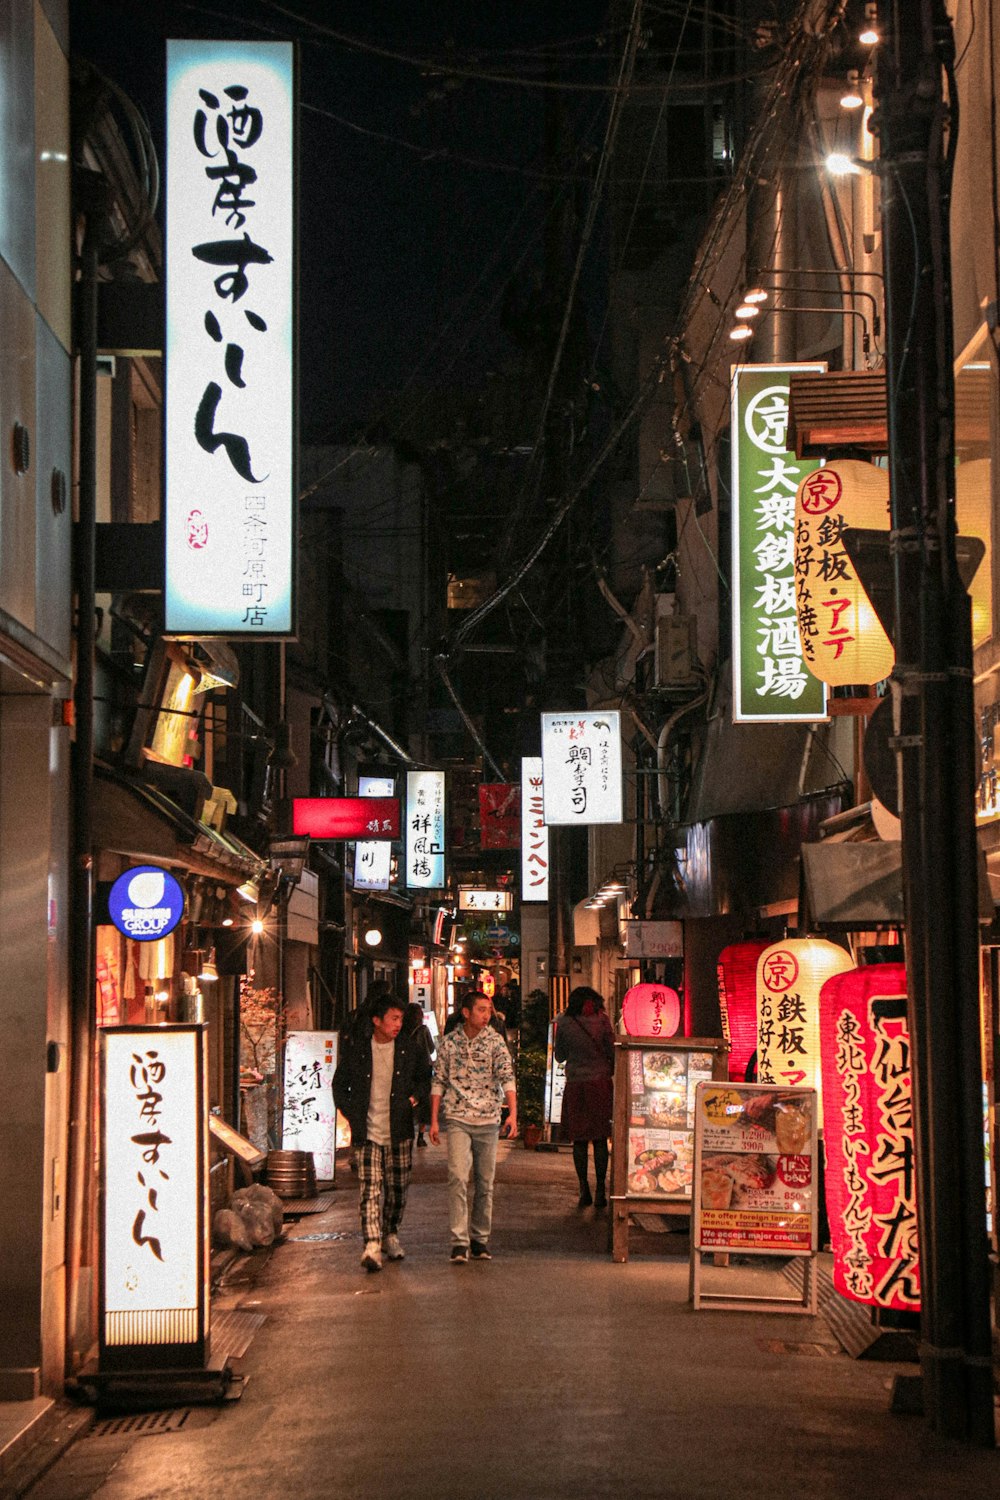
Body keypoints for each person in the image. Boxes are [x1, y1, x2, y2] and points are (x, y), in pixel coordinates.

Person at [332, 990, 431, 1272]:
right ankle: (372, 1245)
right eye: (394, 1018)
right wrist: (351, 1113)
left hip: (399, 1129)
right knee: (370, 1189)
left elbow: (425, 1079)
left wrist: (413, 1100)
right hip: (367, 1131)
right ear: (377, 1020)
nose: (399, 1024)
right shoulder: (359, 1050)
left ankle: (390, 1234)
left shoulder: (409, 1049)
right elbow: (340, 1085)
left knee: (397, 1190)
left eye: (400, 1019)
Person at [429, 990, 517, 1262]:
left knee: (484, 1181)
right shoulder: (449, 1043)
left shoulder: (495, 1042)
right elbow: (439, 1080)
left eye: (488, 1010)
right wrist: (433, 1119)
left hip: (489, 1118)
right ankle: (459, 1241)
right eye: (481, 1010)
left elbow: (507, 1076)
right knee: (457, 1176)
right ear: (466, 1013)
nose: (486, 1015)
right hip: (457, 1117)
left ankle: (480, 1238)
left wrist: (513, 1113)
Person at [554, 985, 614, 1210]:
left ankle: (583, 1189)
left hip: (576, 1085)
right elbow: (611, 1050)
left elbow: (559, 1056)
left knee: (579, 1139)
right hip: (600, 1084)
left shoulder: (566, 1023)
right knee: (599, 1138)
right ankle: (600, 1190)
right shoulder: (603, 1020)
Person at [403, 1001, 435, 1147]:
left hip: (408, 1068)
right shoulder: (423, 1029)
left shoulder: (402, 1030)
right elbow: (432, 1048)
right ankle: (420, 1137)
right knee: (424, 1102)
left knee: (408, 1099)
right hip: (424, 1069)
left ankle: (407, 1131)